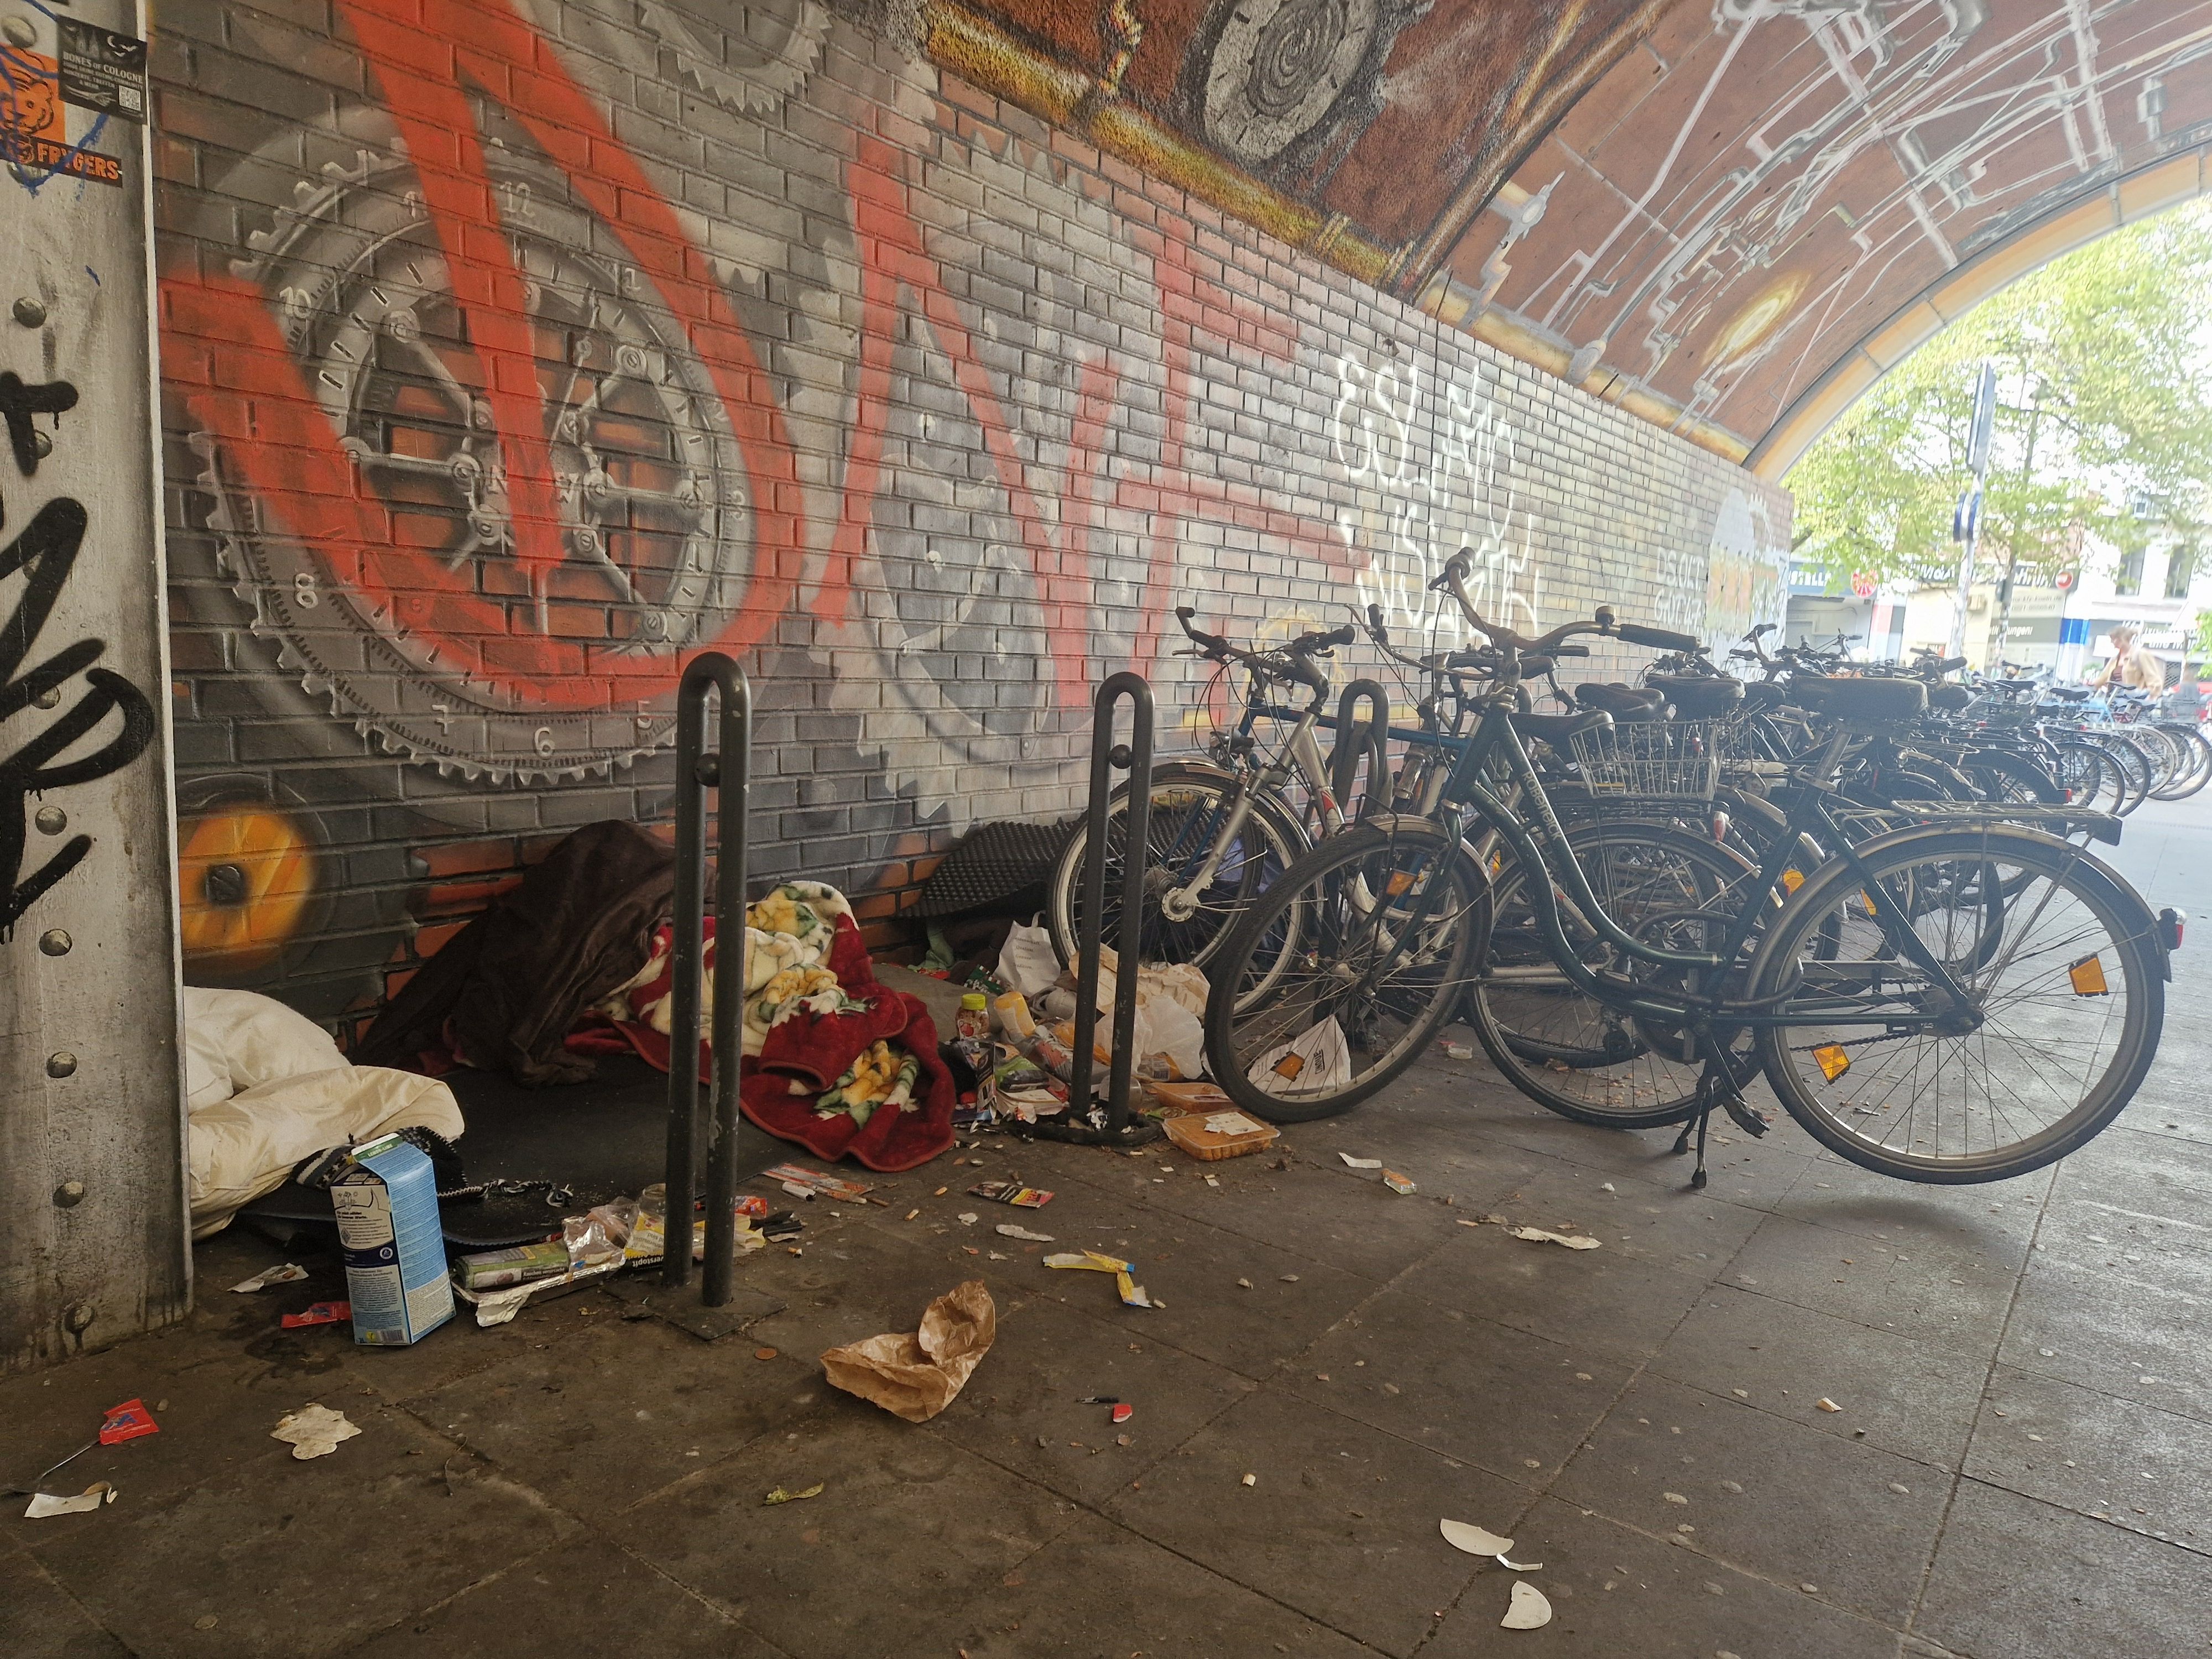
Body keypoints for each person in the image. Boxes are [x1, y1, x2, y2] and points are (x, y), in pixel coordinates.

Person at [2090, 625, 2165, 693]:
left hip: (2131, 702)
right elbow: (2102, 678)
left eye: (2113, 639)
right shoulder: (2115, 659)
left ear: (2121, 639)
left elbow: (2154, 681)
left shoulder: (2141, 655)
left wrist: (2149, 698)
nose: (2111, 642)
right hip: (2112, 700)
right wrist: (2090, 685)